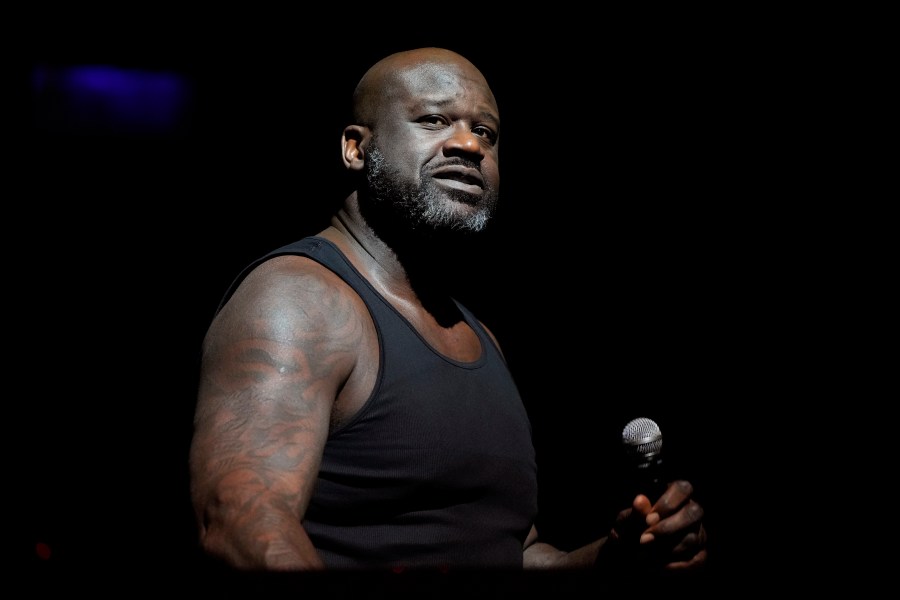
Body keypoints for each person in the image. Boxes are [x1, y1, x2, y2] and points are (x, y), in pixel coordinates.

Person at [188, 47, 708, 577]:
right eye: (434, 120)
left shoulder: (478, 336)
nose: (468, 144)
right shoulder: (300, 298)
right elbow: (240, 522)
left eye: (486, 133)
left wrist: (615, 559)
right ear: (355, 149)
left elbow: (513, 554)